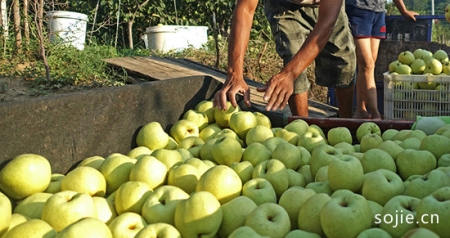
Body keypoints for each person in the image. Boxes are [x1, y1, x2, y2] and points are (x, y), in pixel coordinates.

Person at [213, 0, 357, 118]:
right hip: (284, 6)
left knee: (344, 63)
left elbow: (326, 24)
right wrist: (234, 73)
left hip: (327, 6)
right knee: (293, 54)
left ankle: (345, 123)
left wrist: (289, 74)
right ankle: (302, 129)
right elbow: (245, 9)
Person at [346, 0, 418, 119]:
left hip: (379, 12)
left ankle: (360, 110)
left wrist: (403, 10)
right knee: (367, 65)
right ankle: (375, 113)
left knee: (368, 66)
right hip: (357, 10)